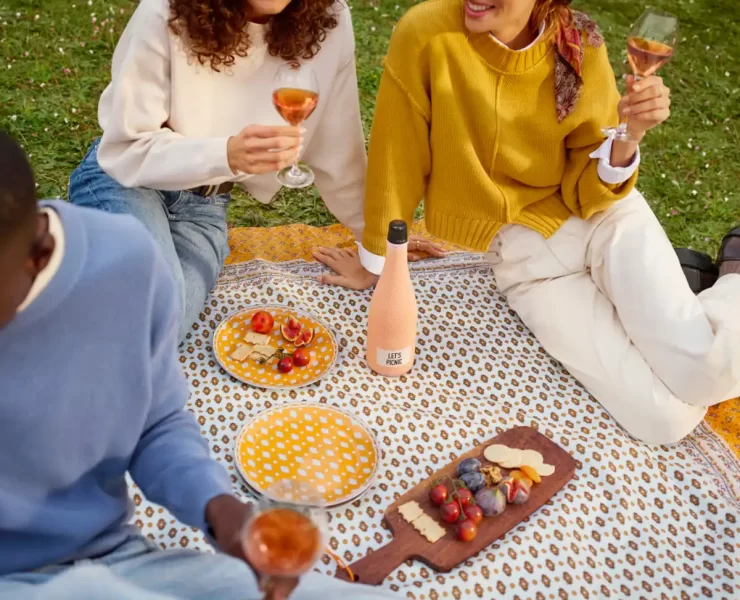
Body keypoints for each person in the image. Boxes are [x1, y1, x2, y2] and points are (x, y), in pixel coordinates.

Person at [314, 0, 740, 445]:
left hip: (606, 222)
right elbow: (395, 157)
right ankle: (692, 301)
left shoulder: (579, 41)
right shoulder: (426, 33)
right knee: (665, 421)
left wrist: (630, 134)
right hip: (529, 262)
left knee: (706, 374)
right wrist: (377, 259)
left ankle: (734, 275)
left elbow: (592, 179)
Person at [0, 131, 396, 600]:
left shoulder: (120, 260)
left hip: (120, 564)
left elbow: (155, 422)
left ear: (37, 254)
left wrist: (219, 509)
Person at [68, 0, 377, 343]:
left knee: (160, 329)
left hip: (204, 209)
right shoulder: (163, 11)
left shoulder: (329, 19)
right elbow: (125, 149)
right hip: (128, 180)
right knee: (147, 318)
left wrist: (377, 241)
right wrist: (226, 154)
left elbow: (340, 147)